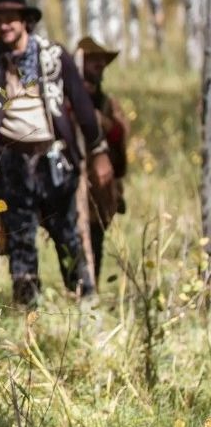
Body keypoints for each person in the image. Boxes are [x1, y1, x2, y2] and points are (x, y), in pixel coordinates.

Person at [0, 0, 106, 307]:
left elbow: (82, 104)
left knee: (66, 233)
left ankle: (84, 302)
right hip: (11, 162)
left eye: (10, 18)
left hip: (52, 157)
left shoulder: (53, 55)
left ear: (25, 21)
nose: (4, 25)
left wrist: (97, 148)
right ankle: (28, 312)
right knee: (20, 239)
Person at [74, 36, 129, 280]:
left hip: (101, 185)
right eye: (92, 60)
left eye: (100, 61)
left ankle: (90, 287)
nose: (98, 65)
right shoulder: (66, 99)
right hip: (72, 180)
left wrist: (101, 120)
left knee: (96, 239)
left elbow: (120, 135)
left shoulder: (107, 102)